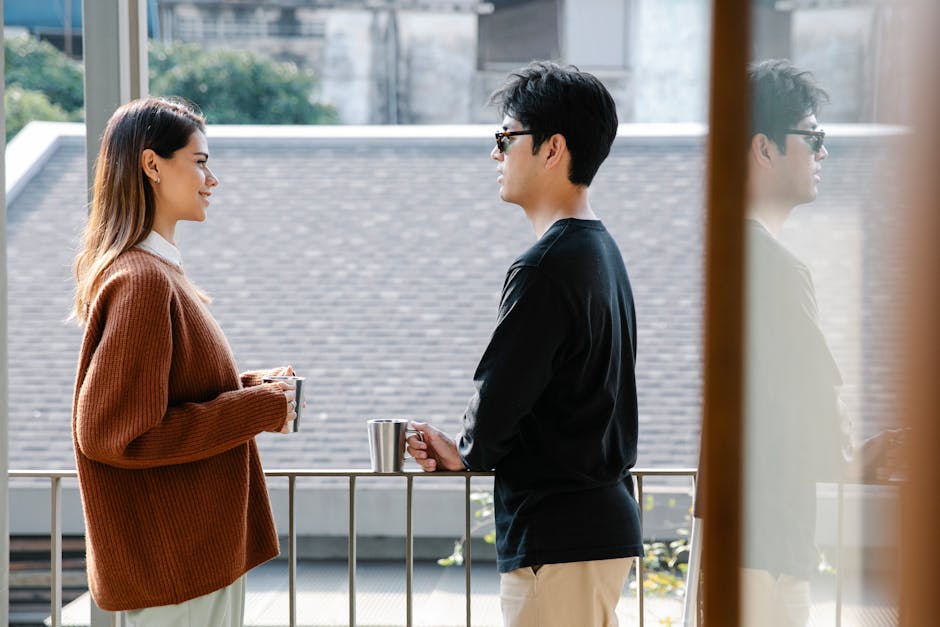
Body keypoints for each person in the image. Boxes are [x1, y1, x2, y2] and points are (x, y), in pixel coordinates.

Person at [406, 61, 642, 627]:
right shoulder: (602, 252)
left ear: (552, 148)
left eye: (506, 137)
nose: (496, 153)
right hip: (599, 527)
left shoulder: (545, 266)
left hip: (557, 537)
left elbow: (502, 398)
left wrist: (467, 451)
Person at [71, 97, 298, 626]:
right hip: (178, 572)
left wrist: (256, 392)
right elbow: (114, 432)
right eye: (199, 161)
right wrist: (254, 410)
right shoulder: (145, 281)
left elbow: (165, 397)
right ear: (153, 165)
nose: (211, 179)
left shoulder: (155, 274)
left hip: (187, 566)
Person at [743, 59, 904, 626]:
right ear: (764, 149)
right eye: (812, 137)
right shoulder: (772, 267)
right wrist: (851, 459)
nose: (823, 153)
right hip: (765, 558)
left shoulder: (735, 257)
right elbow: (814, 402)